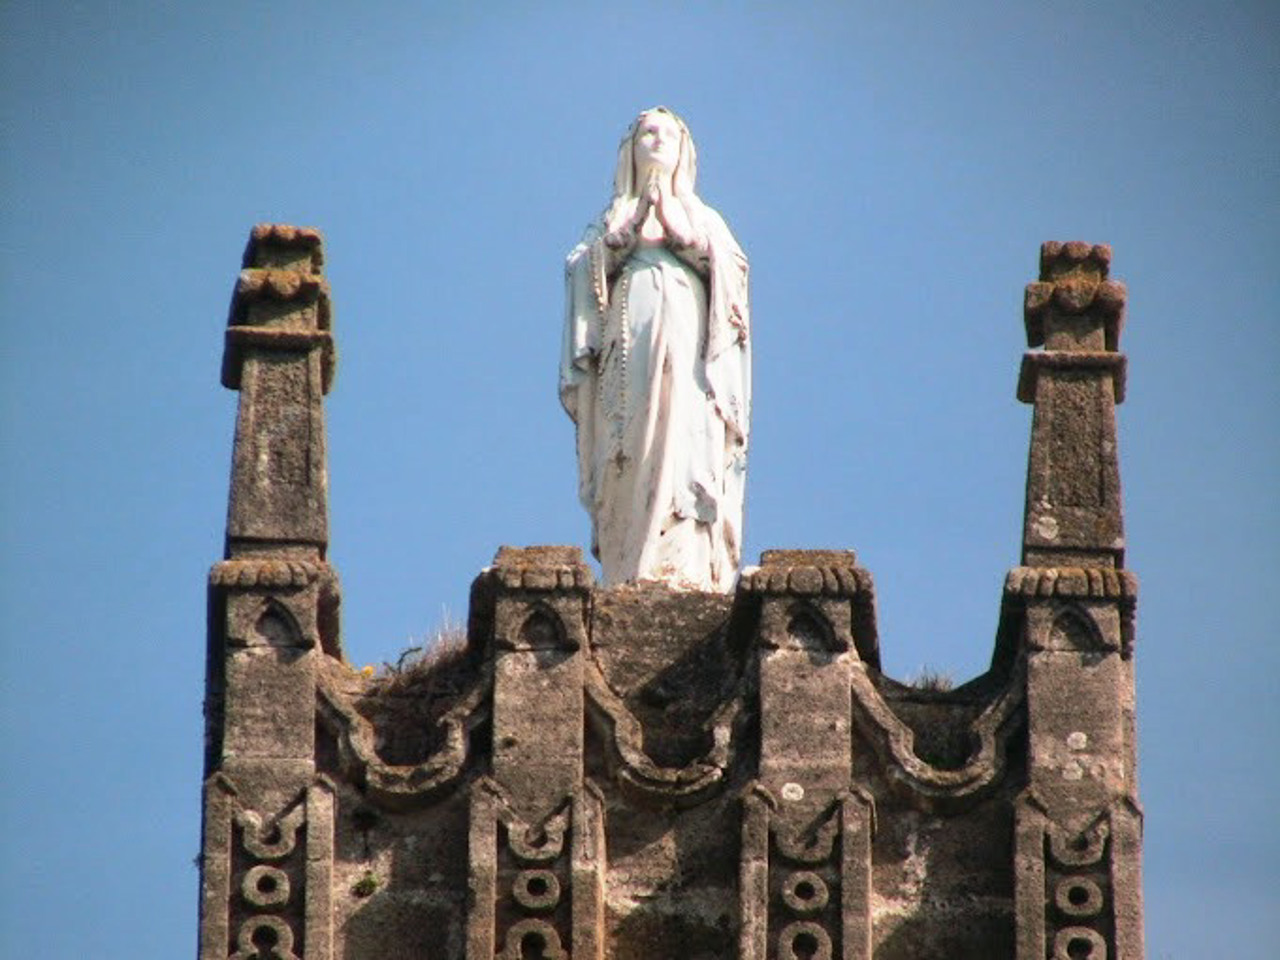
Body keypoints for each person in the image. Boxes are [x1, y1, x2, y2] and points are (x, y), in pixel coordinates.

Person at [560, 107, 750, 591]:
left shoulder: (704, 216)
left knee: (684, 439)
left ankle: (684, 566)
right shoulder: (611, 216)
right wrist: (618, 243)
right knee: (633, 438)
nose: (658, 140)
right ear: (631, 148)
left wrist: (682, 234)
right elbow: (579, 267)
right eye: (648, 132)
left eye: (669, 133)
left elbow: (734, 274)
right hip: (629, 336)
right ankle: (630, 565)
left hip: (690, 339)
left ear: (685, 150)